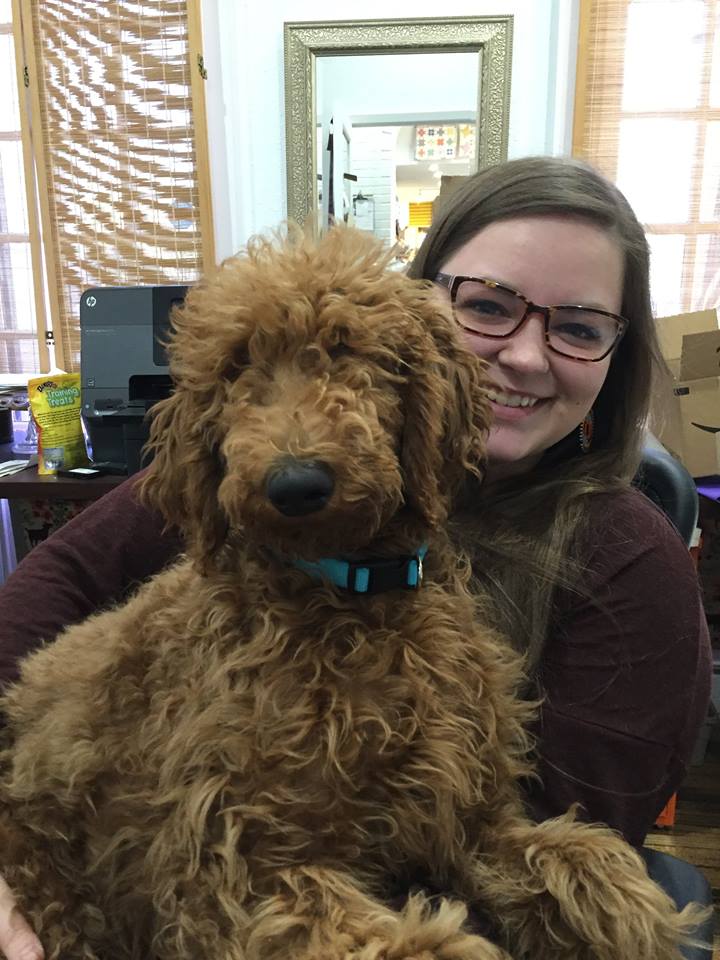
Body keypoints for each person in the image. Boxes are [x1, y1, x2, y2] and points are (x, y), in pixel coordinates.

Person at [0, 156, 712, 960]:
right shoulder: (235, 525)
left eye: (577, 326)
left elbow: (493, 841)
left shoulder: (627, 562)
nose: (521, 354)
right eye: (488, 307)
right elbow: (221, 886)